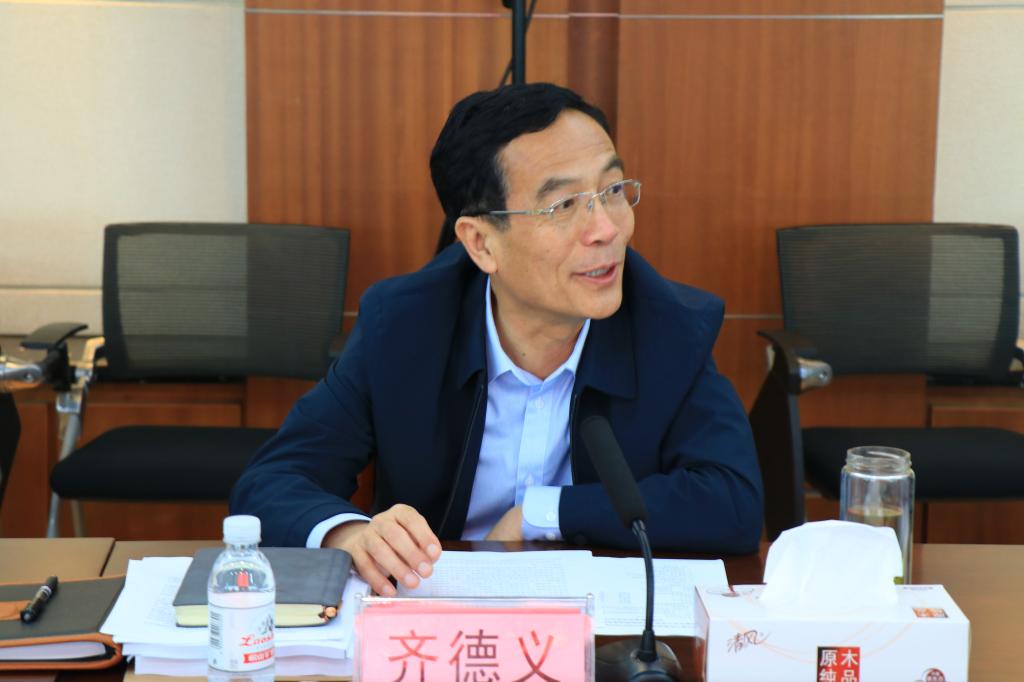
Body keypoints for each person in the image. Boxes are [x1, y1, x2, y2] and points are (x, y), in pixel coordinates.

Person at [230, 83, 763, 599]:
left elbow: (733, 503)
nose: (607, 229)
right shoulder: (405, 326)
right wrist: (350, 534)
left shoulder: (669, 326)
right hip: (436, 616)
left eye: (613, 191)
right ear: (481, 243)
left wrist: (545, 513)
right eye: (563, 205)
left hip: (598, 628)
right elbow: (273, 481)